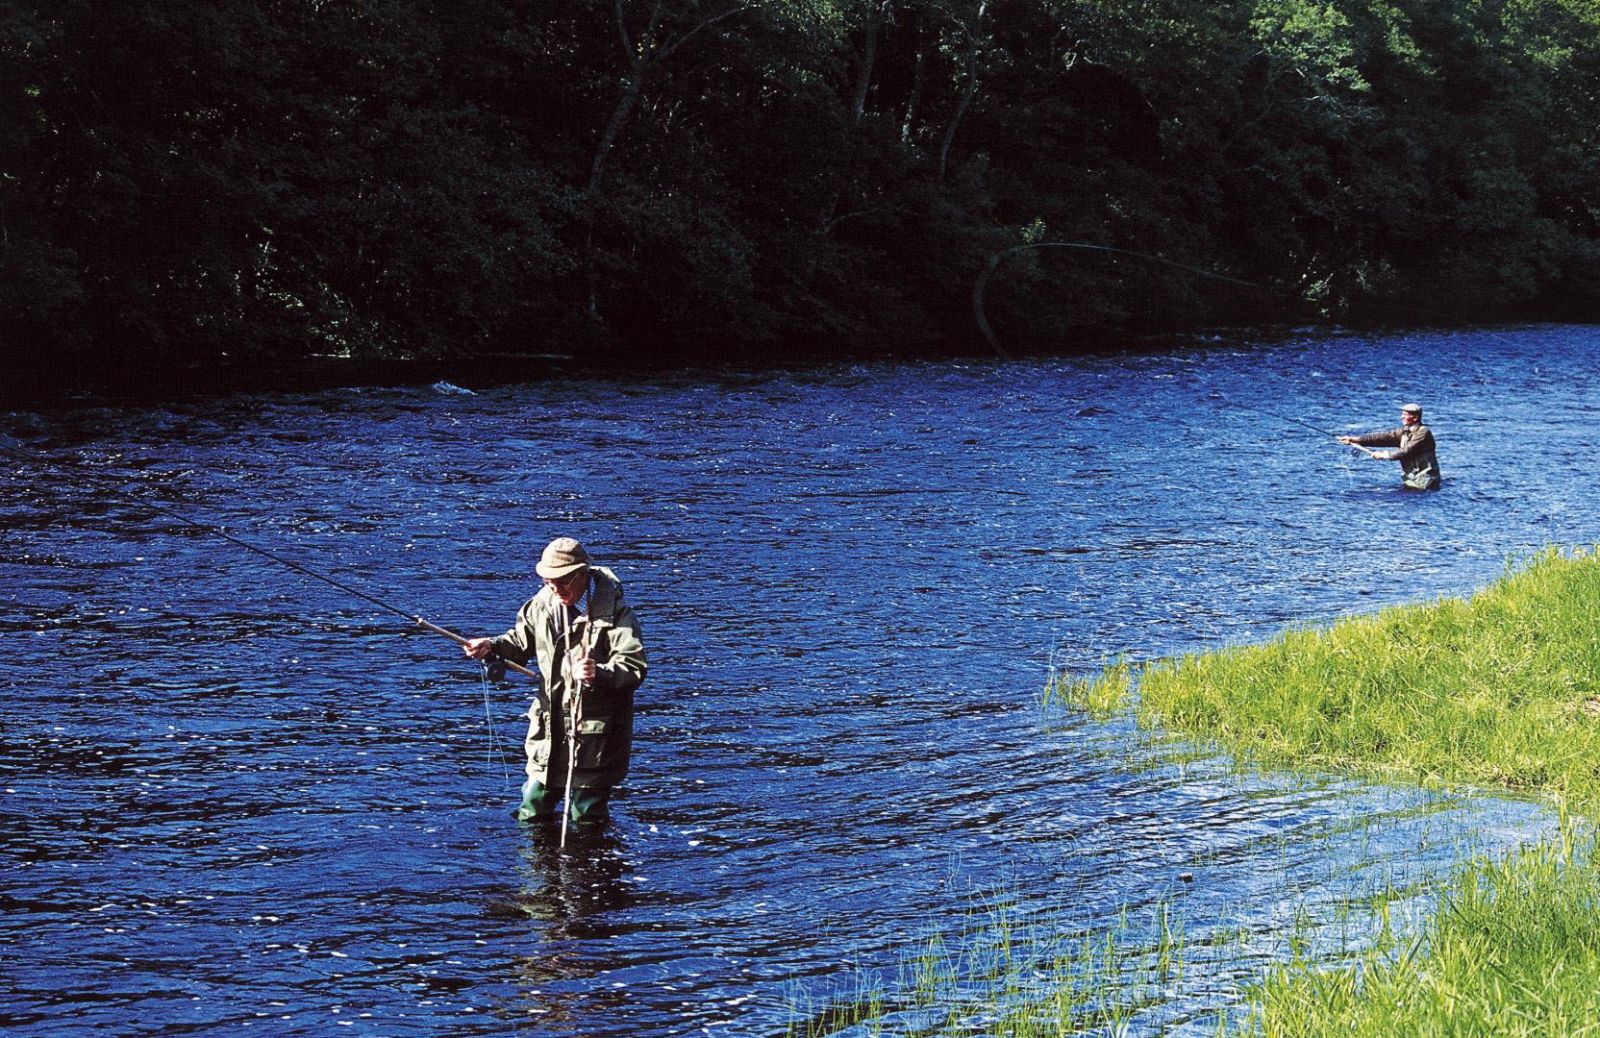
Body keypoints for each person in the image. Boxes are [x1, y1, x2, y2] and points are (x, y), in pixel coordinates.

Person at [464, 536, 647, 825]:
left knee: (586, 819)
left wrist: (598, 672)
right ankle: (534, 870)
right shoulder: (542, 604)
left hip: (593, 743)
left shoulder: (617, 615)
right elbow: (519, 642)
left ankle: (588, 868)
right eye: (549, 582)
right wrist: (492, 646)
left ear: (583, 574)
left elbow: (633, 666)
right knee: (532, 810)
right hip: (548, 736)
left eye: (563, 582)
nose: (555, 589)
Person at [1338, 402, 1441, 490]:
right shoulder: (1404, 431)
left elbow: (1406, 451)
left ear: (1415, 418)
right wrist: (1356, 439)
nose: (1402, 417)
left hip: (1427, 480)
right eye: (1402, 414)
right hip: (1411, 478)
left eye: (1405, 414)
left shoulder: (1423, 432)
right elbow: (1383, 438)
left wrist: (1384, 455)